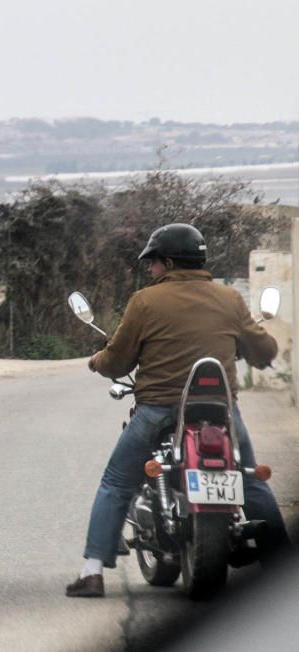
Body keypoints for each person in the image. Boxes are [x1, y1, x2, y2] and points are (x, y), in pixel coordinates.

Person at [65, 223, 288, 598]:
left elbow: (118, 360)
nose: (150, 271)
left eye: (153, 264)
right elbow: (264, 352)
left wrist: (97, 362)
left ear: (168, 262)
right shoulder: (230, 299)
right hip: (220, 411)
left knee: (117, 481)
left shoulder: (145, 301)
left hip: (158, 409)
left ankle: (92, 573)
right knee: (250, 480)